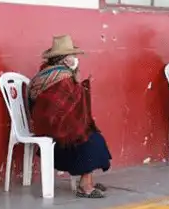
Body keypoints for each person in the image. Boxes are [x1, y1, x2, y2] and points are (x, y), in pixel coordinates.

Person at [27, 35, 112, 198]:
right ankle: (84, 186)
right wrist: (81, 88)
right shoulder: (62, 78)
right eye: (72, 56)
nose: (75, 59)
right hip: (53, 127)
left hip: (51, 123)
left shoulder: (49, 73)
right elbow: (57, 108)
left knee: (91, 134)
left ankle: (88, 180)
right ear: (65, 60)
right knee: (90, 139)